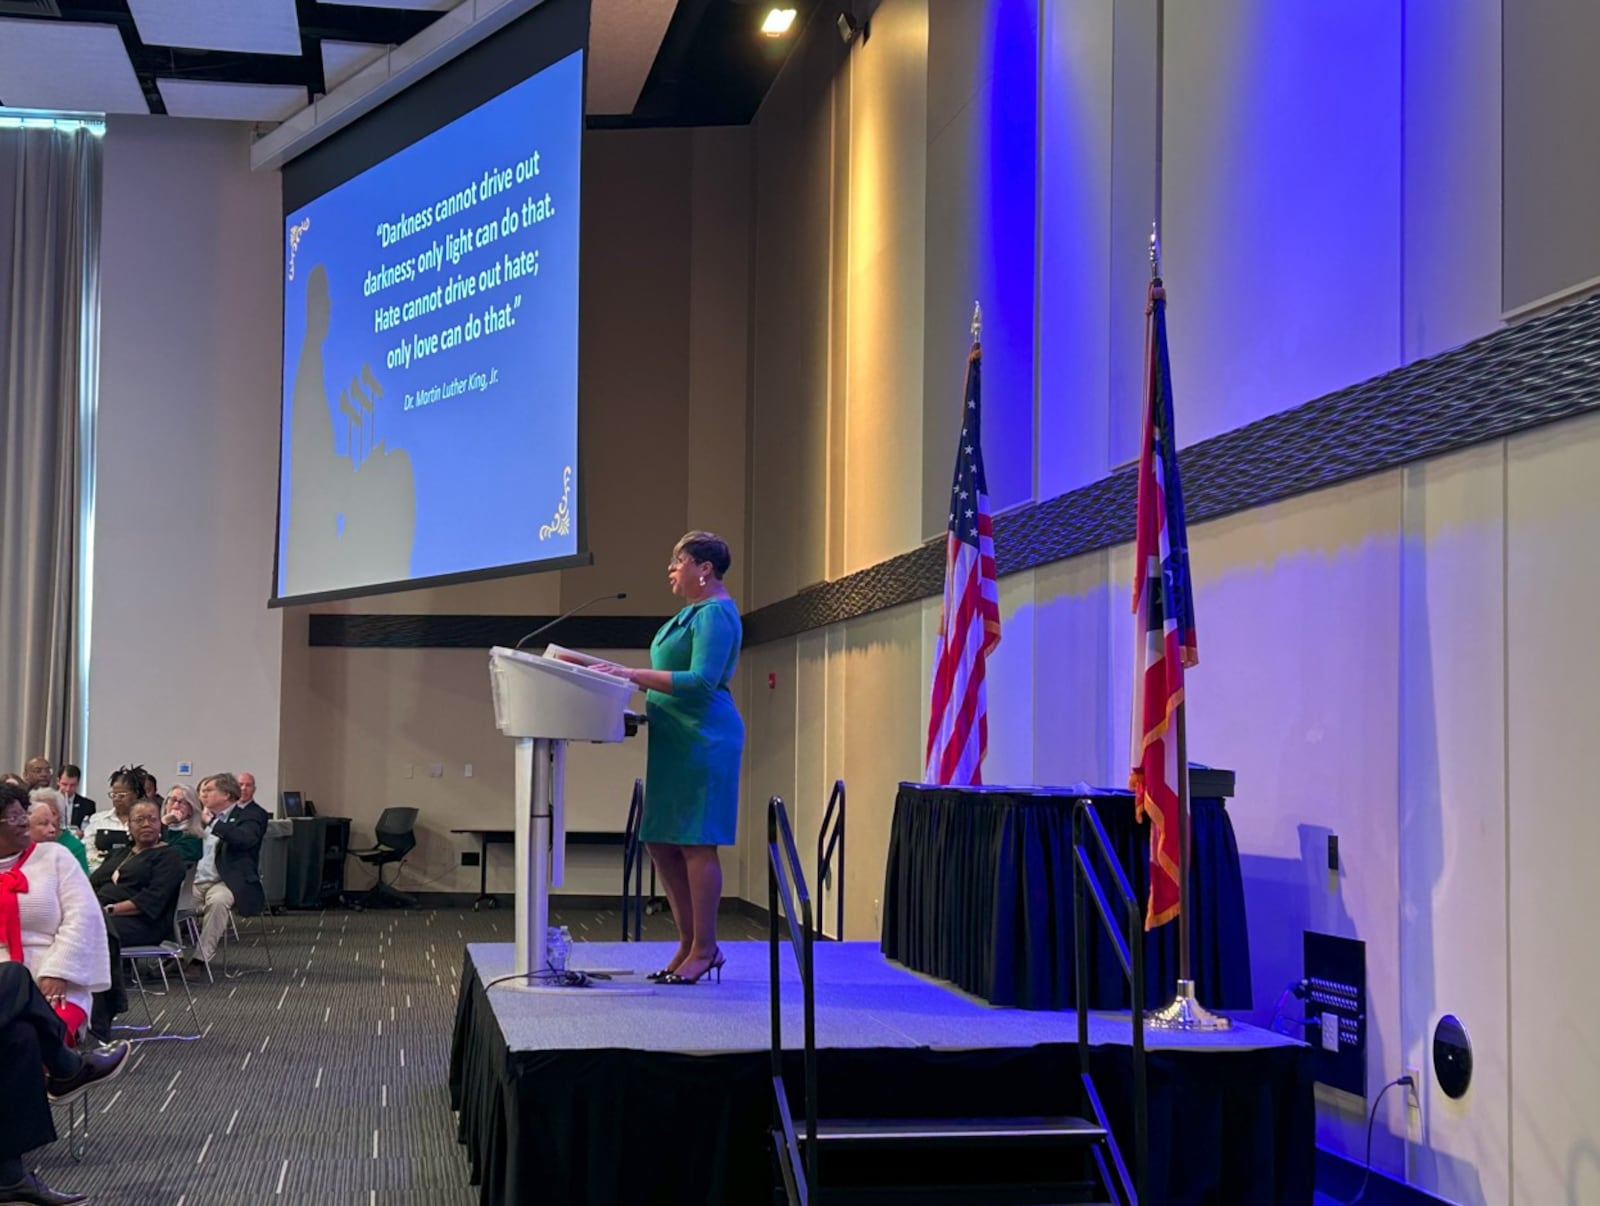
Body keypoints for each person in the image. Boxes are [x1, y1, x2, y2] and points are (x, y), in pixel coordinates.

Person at [600, 531, 744, 986]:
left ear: (705, 568)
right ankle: (688, 942)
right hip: (673, 741)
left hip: (704, 741)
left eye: (677, 561)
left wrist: (630, 674)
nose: (670, 569)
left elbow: (702, 682)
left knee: (696, 841)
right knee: (661, 840)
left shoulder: (717, 614)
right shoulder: (689, 615)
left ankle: (706, 947)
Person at [0, 783, 128, 1206]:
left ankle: (9, 1175)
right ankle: (67, 1067)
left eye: (25, 813)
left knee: (19, 1035)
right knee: (15, 979)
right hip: (11, 982)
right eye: (16, 816)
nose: (26, 822)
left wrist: (58, 970)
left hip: (56, 975)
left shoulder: (53, 858)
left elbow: (83, 917)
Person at [90, 801, 187, 1038]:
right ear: (129, 826)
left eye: (152, 819)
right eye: (139, 820)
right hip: (103, 915)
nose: (146, 824)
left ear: (160, 823)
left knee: (97, 936)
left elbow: (152, 900)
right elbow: (95, 881)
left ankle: (102, 1015)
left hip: (145, 924)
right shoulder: (121, 853)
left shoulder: (168, 857)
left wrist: (109, 910)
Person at [190, 772, 268, 966]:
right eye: (201, 791)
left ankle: (200, 960)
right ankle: (171, 956)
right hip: (194, 880)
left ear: (226, 795)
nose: (202, 795)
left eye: (208, 790)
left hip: (227, 881)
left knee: (218, 902)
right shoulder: (196, 817)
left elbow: (245, 839)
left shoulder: (251, 815)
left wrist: (214, 824)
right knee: (164, 899)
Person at [27, 799, 89, 876]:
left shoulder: (63, 853)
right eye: (44, 824)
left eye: (53, 814)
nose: (52, 829)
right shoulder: (15, 855)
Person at [160, 786, 205, 864]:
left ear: (191, 810)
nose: (176, 805)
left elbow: (161, 856)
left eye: (183, 802)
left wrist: (164, 825)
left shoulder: (193, 837)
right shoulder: (159, 828)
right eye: (173, 800)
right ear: (166, 804)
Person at [56, 765, 96, 830]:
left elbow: (90, 829)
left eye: (72, 785)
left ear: (78, 783)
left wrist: (82, 832)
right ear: (58, 781)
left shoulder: (88, 805)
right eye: (64, 784)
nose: (68, 789)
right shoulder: (48, 801)